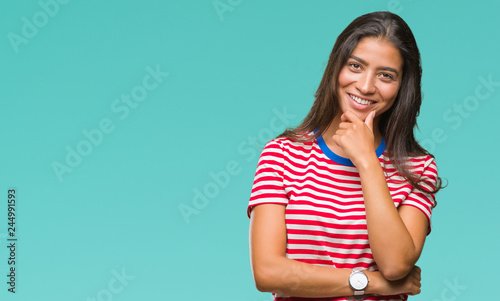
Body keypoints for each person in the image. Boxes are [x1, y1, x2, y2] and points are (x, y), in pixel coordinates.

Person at [247, 11, 444, 301]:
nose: (365, 86)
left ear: (403, 86)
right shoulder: (282, 155)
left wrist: (366, 160)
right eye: (355, 66)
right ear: (336, 68)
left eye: (385, 75)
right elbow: (267, 273)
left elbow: (395, 264)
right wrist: (371, 283)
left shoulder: (418, 168)